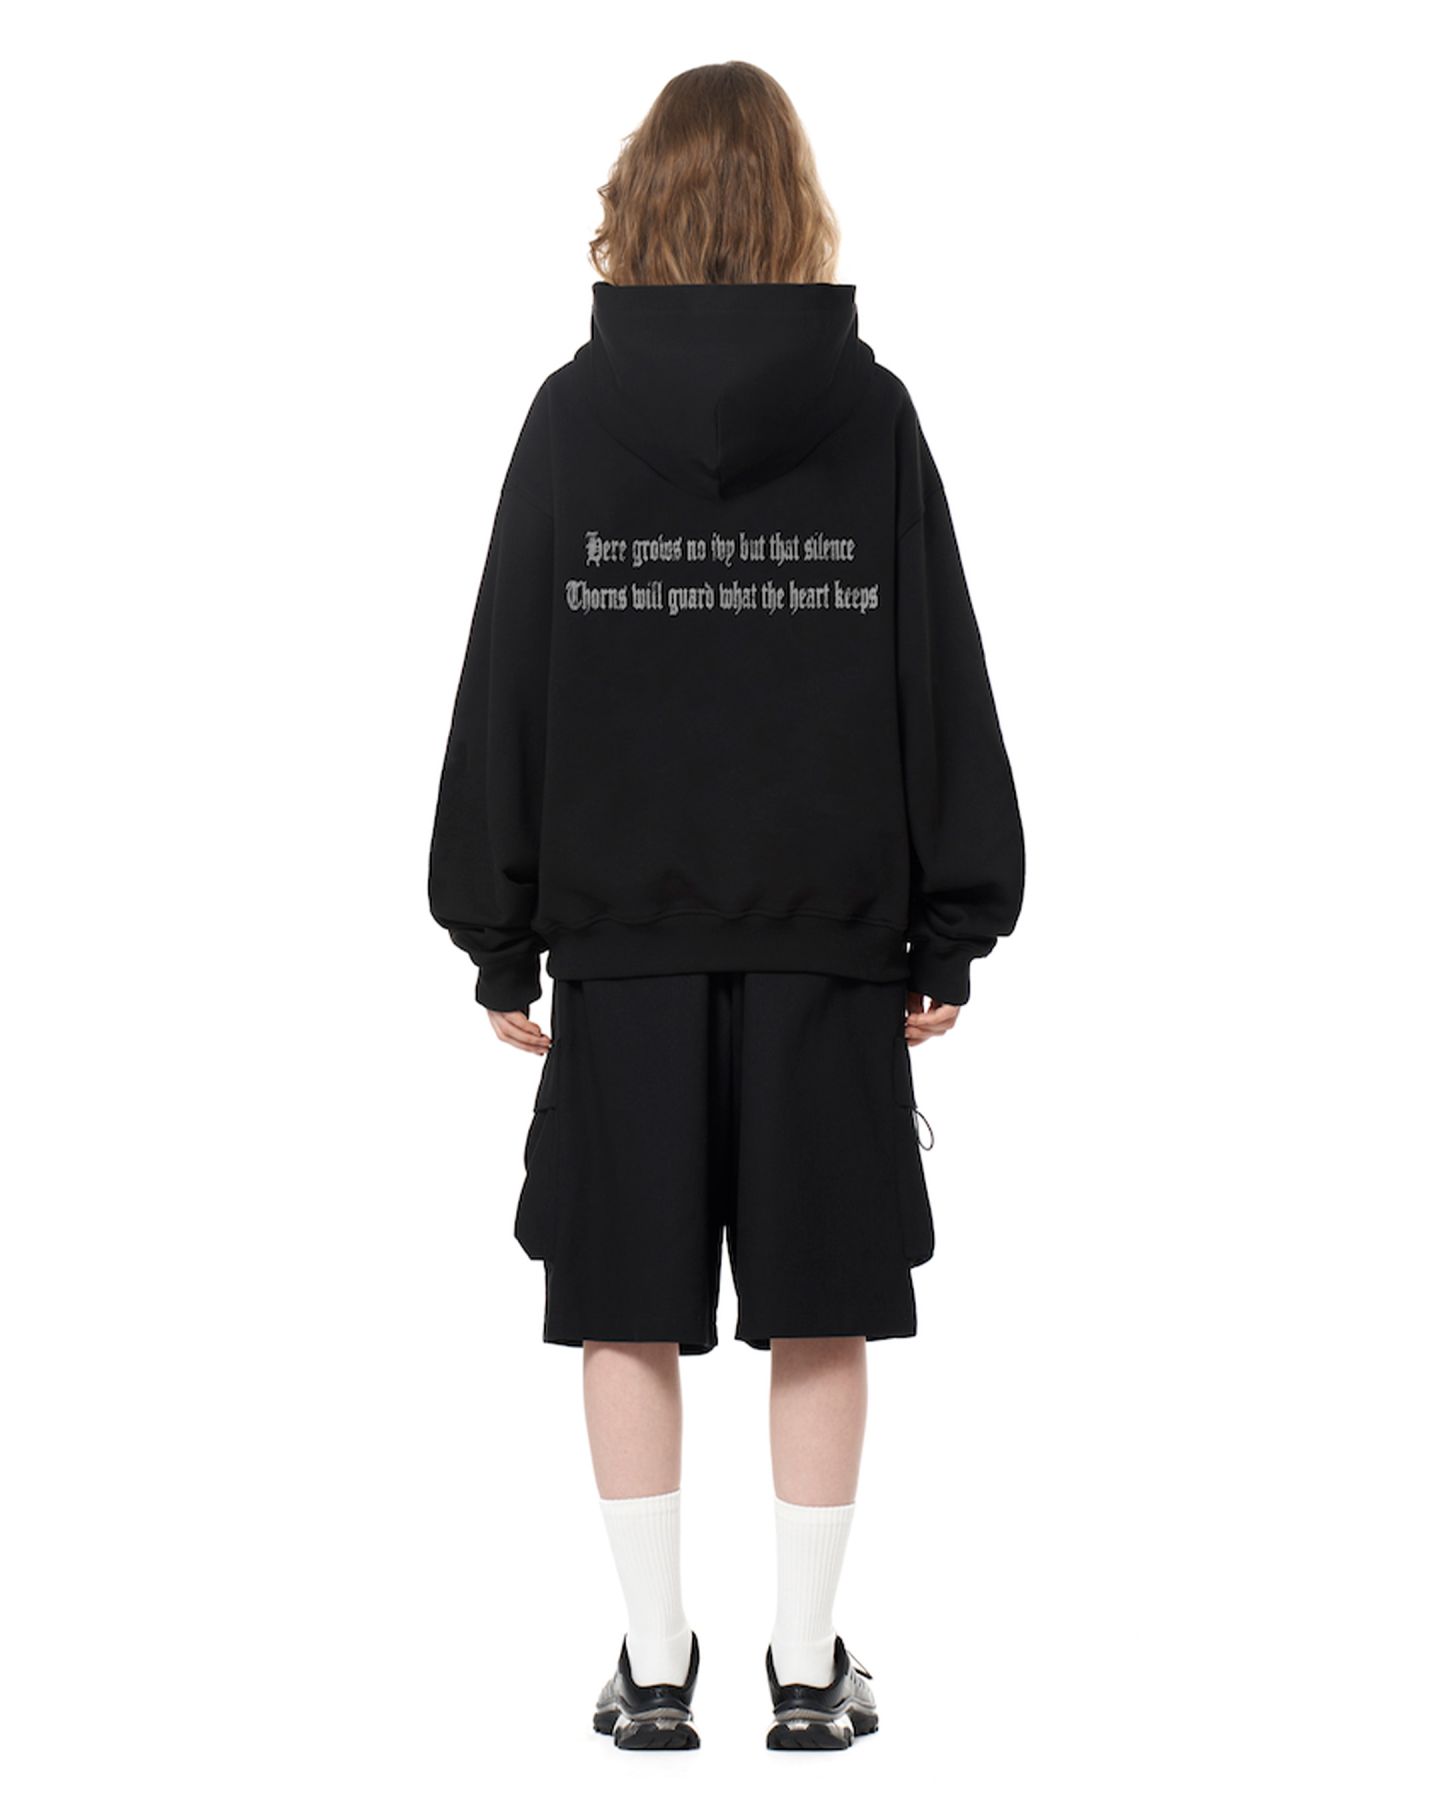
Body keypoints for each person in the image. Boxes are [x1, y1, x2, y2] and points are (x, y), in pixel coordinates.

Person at [428, 61, 1024, 1752]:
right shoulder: (872, 414)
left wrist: (499, 931)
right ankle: (811, 1673)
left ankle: (654, 1667)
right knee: (820, 1300)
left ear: (643, 204)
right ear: (794, 208)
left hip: (624, 946)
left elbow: (512, 677)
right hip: (827, 942)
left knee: (626, 1302)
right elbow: (932, 671)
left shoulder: (572, 417)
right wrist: (950, 922)